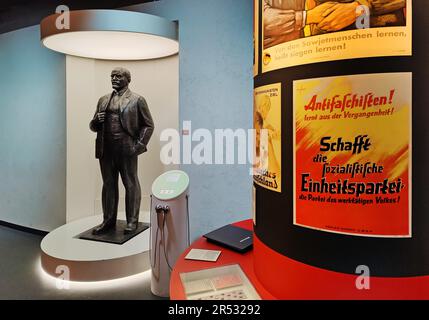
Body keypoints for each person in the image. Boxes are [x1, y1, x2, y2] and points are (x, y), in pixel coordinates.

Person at [90, 67, 154, 235]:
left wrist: (138, 146)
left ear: (128, 79)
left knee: (130, 184)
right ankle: (108, 221)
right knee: (108, 185)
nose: (114, 79)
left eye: (118, 76)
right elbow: (93, 126)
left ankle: (132, 221)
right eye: (112, 76)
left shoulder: (137, 100)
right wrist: (96, 120)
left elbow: (148, 125)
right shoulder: (103, 100)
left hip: (127, 149)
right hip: (106, 149)